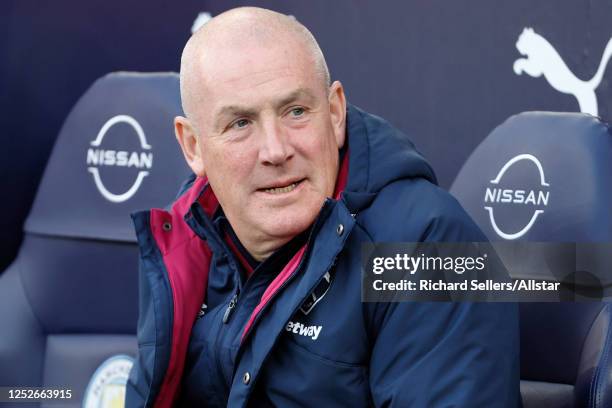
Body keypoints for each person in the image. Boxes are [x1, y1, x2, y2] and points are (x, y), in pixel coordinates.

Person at [126, 6, 519, 407]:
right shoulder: (187, 240)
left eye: (295, 111)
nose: (276, 151)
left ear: (334, 112)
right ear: (193, 145)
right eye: (240, 123)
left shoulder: (430, 247)